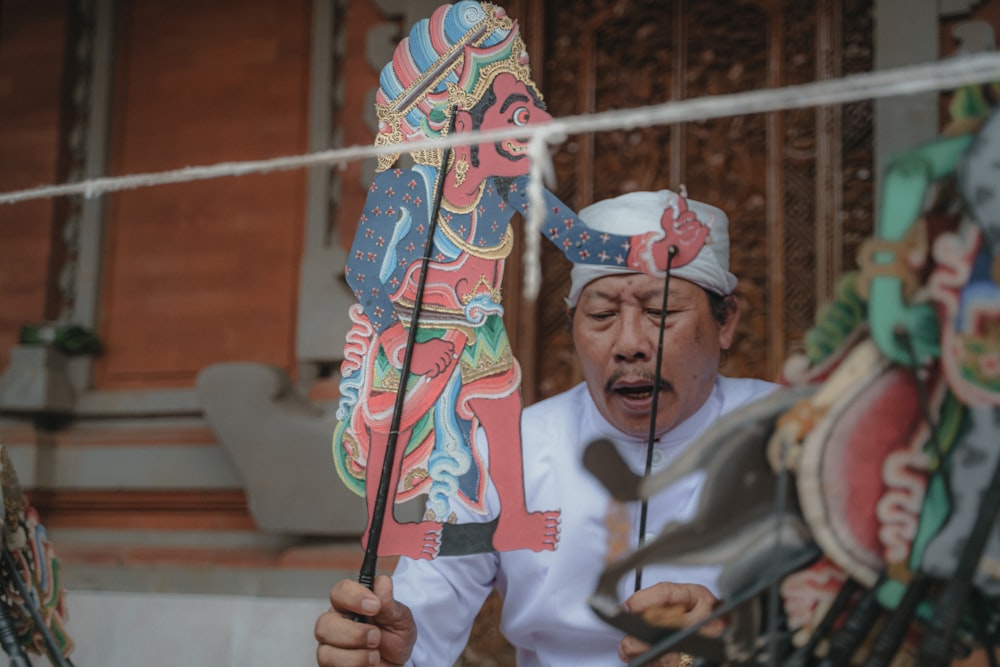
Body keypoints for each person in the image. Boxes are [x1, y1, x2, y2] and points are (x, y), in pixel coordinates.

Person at [316, 189, 779, 666]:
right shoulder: (501, 452)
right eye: (601, 316)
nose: (630, 344)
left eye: (662, 313)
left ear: (726, 321)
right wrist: (386, 656)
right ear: (572, 324)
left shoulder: (804, 436)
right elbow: (423, 614)